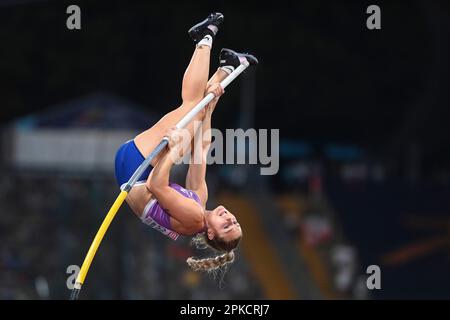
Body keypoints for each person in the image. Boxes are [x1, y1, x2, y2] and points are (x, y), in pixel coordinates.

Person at [114, 13, 258, 272]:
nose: (228, 216)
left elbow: (157, 185)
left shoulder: (193, 220)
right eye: (234, 220)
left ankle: (204, 37)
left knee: (191, 106)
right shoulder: (199, 201)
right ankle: (225, 67)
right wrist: (211, 105)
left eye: (226, 225)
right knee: (200, 112)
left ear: (211, 234)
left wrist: (172, 146)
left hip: (137, 171)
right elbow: (201, 149)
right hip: (135, 167)